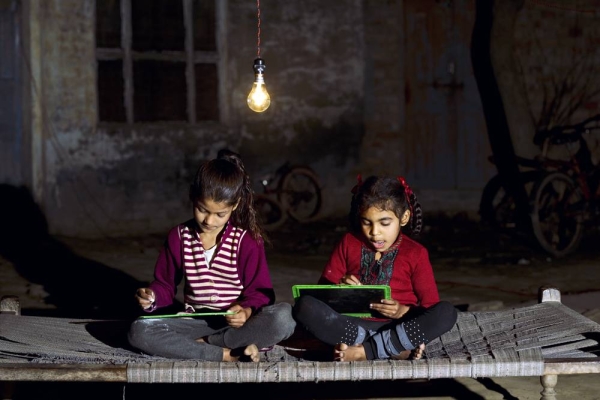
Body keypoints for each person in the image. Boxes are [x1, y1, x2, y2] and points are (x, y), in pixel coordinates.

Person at [128, 149, 296, 362]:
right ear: (193, 197)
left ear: (234, 206)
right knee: (139, 330)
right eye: (202, 210)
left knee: (283, 318)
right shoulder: (179, 237)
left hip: (235, 325)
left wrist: (245, 311)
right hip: (194, 322)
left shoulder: (247, 241)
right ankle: (226, 353)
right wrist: (152, 297)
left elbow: (261, 293)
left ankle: (206, 345)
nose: (209, 221)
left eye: (220, 214)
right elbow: (165, 285)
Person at [292, 175, 458, 361]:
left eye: (384, 223)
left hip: (399, 326)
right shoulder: (348, 243)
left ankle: (363, 351)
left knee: (447, 313)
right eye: (366, 222)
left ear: (404, 217)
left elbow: (430, 306)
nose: (374, 232)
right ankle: (388, 348)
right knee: (304, 306)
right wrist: (340, 290)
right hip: (353, 327)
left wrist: (401, 311)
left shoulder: (416, 253)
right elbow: (321, 296)